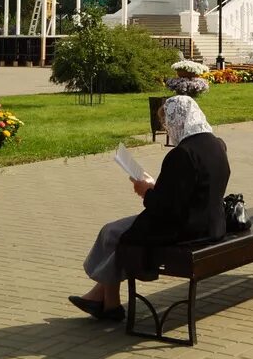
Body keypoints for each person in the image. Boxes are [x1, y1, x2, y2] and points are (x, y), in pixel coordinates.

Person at [68, 95, 230, 321]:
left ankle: (109, 304)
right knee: (118, 233)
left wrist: (146, 191)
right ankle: (104, 300)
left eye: (168, 123)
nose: (167, 128)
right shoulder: (215, 144)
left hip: (184, 229)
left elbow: (165, 208)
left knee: (113, 233)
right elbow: (187, 191)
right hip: (209, 223)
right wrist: (157, 187)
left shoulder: (182, 153)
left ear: (179, 120)